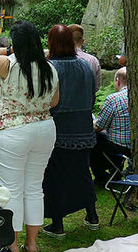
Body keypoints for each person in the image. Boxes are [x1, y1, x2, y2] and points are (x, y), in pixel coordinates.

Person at [0, 21, 59, 252]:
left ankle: (12, 244)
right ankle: (32, 244)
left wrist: (8, 50)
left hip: (12, 130)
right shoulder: (50, 68)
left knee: (11, 189)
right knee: (34, 187)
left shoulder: (8, 64)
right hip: (44, 128)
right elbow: (54, 102)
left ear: (15, 43)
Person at [42, 25, 98, 238]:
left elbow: (46, 100)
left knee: (54, 176)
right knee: (83, 173)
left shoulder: (50, 67)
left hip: (58, 130)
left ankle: (57, 224)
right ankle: (92, 216)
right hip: (83, 129)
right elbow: (92, 96)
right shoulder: (85, 65)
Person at [90, 67, 131, 187]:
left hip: (118, 146)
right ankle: (116, 173)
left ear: (118, 81)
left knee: (94, 139)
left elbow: (99, 126)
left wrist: (91, 123)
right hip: (134, 145)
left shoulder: (113, 99)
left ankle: (101, 177)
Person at [68, 24, 101, 93]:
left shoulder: (59, 59)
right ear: (83, 41)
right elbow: (96, 87)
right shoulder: (93, 60)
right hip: (87, 101)